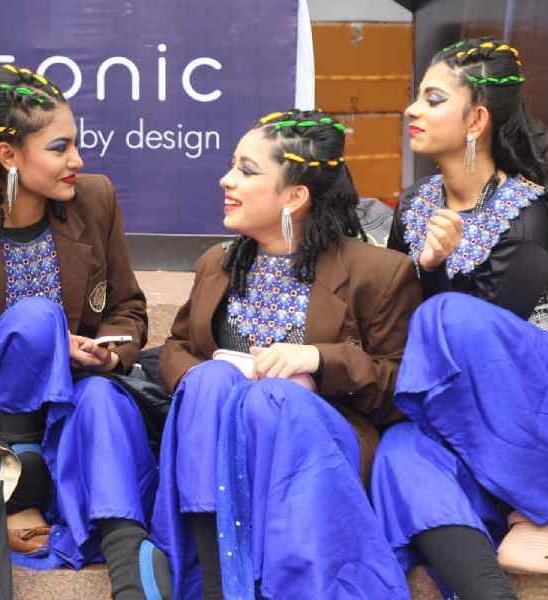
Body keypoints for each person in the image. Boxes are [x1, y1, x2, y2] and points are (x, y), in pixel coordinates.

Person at [375, 39, 548, 600]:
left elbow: (487, 346)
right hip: (457, 399)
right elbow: (400, 319)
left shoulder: (527, 213)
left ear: (476, 119)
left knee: (451, 314)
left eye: (432, 99)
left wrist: (434, 274)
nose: (412, 110)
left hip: (545, 396)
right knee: (400, 453)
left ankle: (543, 508)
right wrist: (422, 267)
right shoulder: (415, 204)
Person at [0, 64, 170, 600]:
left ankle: (129, 560)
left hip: (75, 410)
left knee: (102, 400)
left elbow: (127, 309)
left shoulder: (95, 201)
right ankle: (23, 483)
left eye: (77, 145)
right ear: (9, 156)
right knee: (37, 319)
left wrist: (109, 354)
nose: (78, 161)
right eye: (60, 148)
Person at [151, 109, 421, 599]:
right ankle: (216, 581)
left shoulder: (379, 272)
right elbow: (174, 348)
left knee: (273, 397)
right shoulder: (217, 262)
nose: (226, 180)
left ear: (295, 197)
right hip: (219, 446)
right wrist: (212, 375)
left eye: (246, 171)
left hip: (318, 454)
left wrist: (318, 361)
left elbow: (400, 390)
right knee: (212, 382)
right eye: (233, 165)